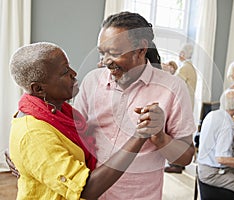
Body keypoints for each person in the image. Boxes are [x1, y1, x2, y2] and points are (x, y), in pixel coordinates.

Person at [8, 42, 165, 199]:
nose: (74, 73)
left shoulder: (62, 113)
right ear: (39, 89)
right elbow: (86, 190)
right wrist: (139, 136)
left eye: (69, 67)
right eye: (64, 71)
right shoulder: (34, 134)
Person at [74, 11, 196, 199]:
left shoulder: (173, 88)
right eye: (102, 53)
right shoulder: (92, 81)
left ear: (141, 49)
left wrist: (160, 137)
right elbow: (72, 133)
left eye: (114, 53)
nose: (106, 61)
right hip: (89, 193)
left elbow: (186, 157)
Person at [164, 43, 197, 173]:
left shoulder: (184, 68)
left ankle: (175, 164)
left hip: (181, 106)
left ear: (183, 54)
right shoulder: (190, 67)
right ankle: (179, 162)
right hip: (186, 104)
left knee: (176, 134)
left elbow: (174, 84)